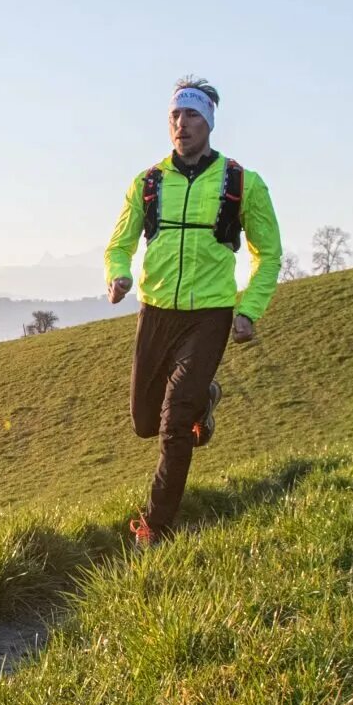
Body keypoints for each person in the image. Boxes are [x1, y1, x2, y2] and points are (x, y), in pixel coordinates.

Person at [104, 78, 281, 546]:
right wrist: (118, 274)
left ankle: (155, 526)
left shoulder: (242, 183)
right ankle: (206, 396)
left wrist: (249, 309)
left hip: (211, 314)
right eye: (175, 117)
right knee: (145, 421)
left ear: (209, 123)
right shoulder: (147, 183)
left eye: (192, 116)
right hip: (156, 311)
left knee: (176, 423)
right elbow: (119, 244)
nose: (181, 125)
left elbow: (270, 254)